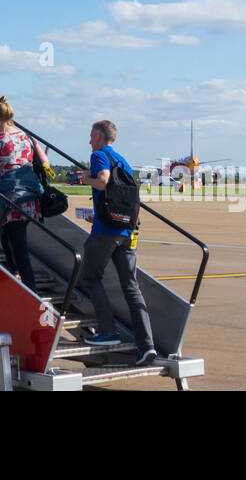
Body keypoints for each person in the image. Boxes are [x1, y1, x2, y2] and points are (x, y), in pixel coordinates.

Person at [76, 120, 156, 365]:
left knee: (89, 277)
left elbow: (103, 180)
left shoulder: (99, 156)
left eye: (91, 136)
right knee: (131, 287)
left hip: (106, 231)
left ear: (99, 137)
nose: (89, 141)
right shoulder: (123, 161)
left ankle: (107, 331)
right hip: (127, 230)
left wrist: (85, 179)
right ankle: (147, 345)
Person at [0, 96, 49, 292]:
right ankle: (15, 274)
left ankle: (30, 291)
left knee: (18, 246)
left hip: (12, 198)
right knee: (7, 235)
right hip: (31, 196)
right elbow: (43, 158)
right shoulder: (25, 136)